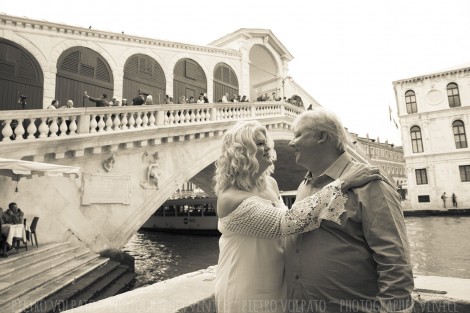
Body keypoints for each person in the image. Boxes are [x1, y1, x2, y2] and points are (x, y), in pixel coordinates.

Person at [214, 120, 381, 313]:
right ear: (241, 153)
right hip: (244, 289)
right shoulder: (229, 198)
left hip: (278, 286)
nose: (268, 146)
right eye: (259, 144)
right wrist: (343, 183)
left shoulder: (270, 183)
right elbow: (285, 223)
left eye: (265, 141)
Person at [285, 108, 414, 313]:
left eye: (298, 135)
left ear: (322, 136)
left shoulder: (371, 184)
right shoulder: (304, 185)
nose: (292, 142)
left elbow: (394, 260)